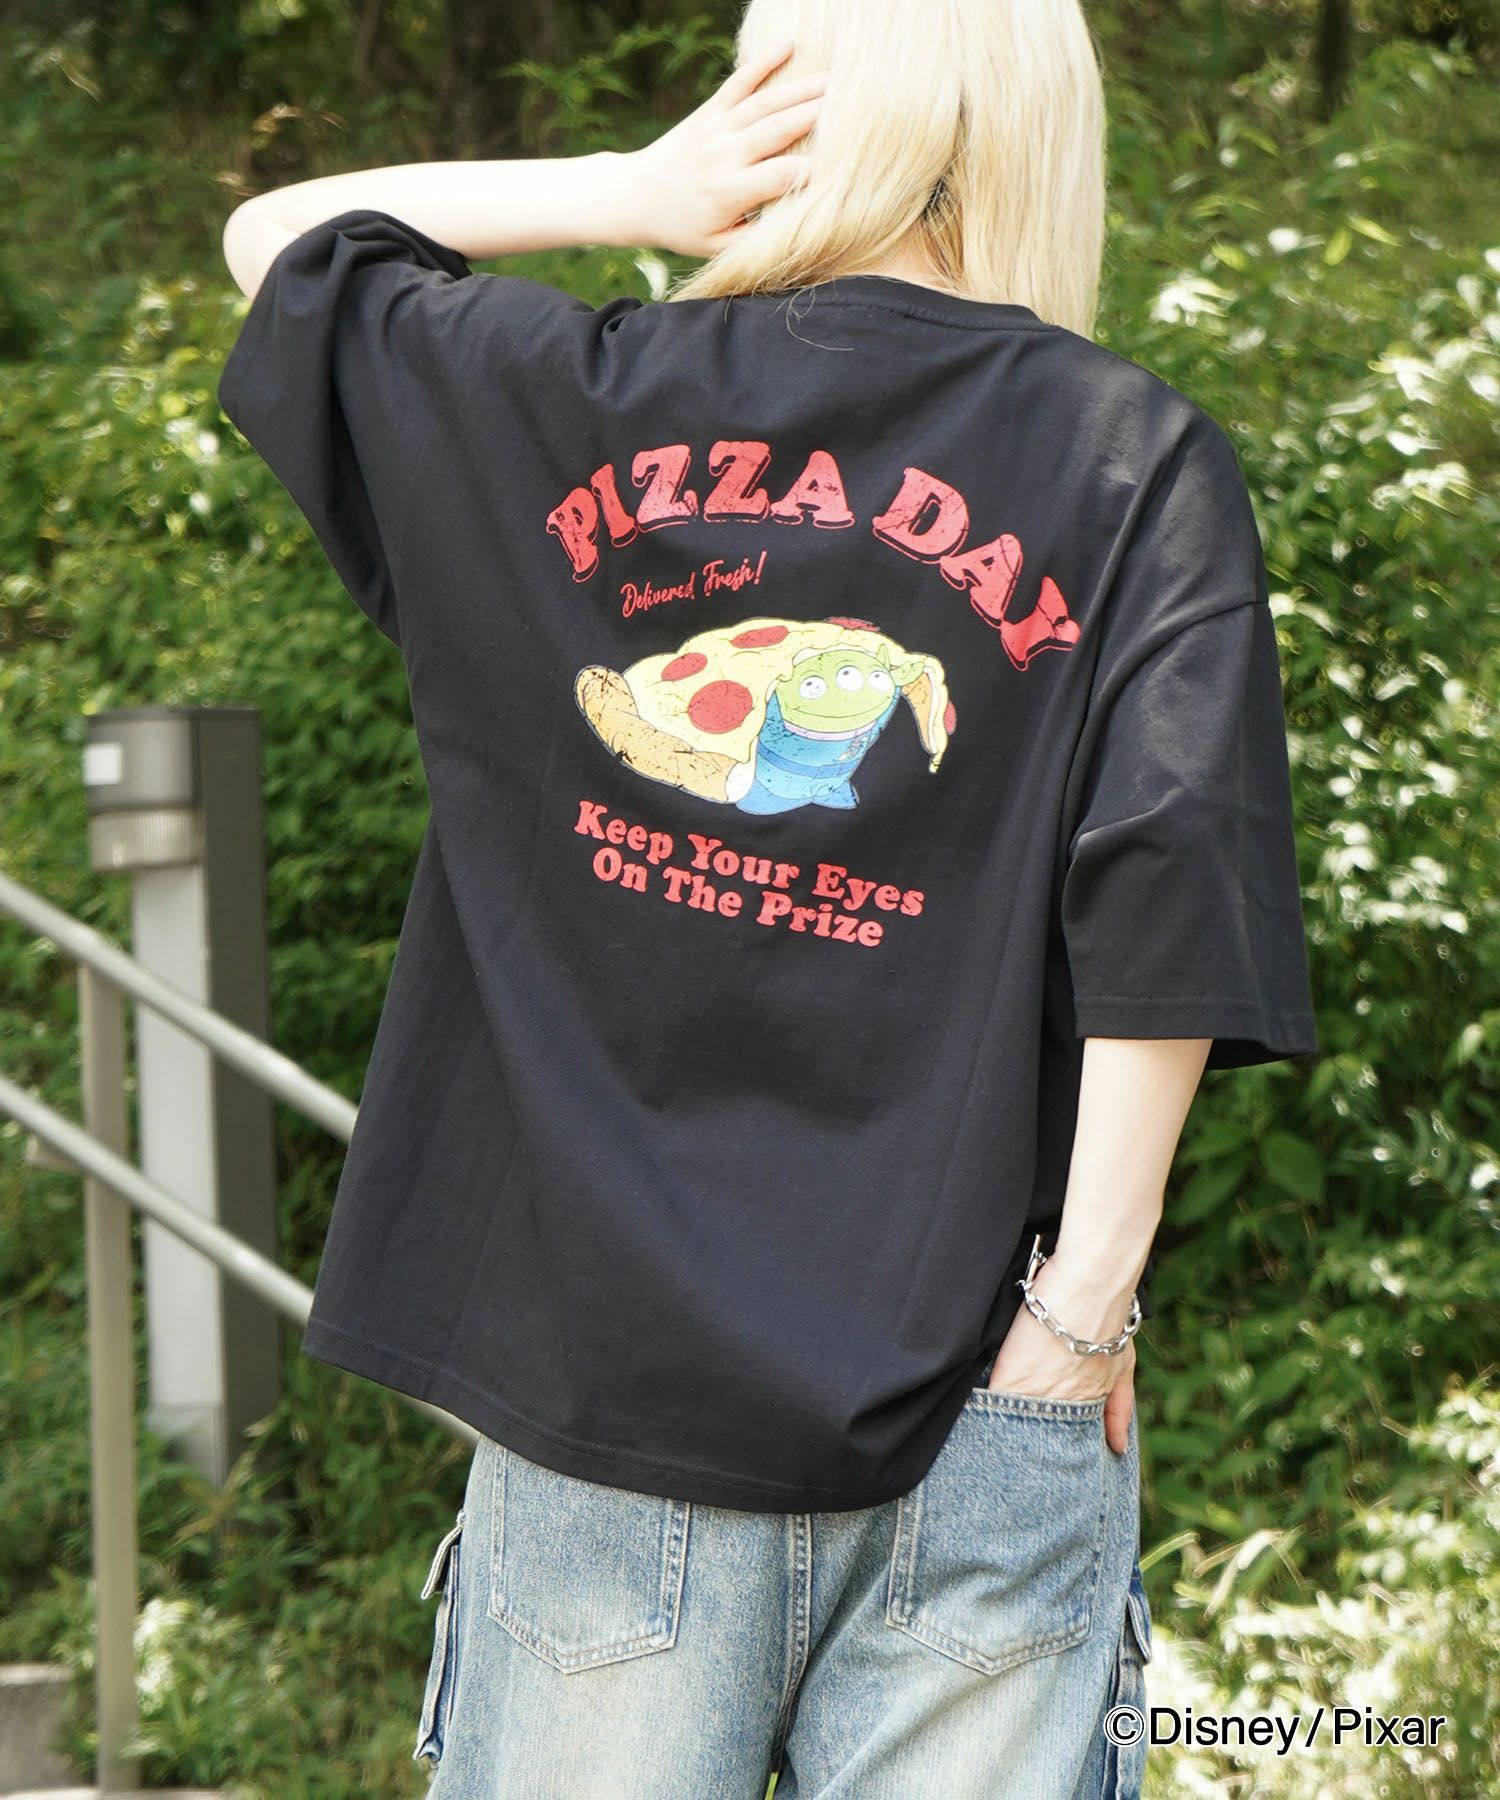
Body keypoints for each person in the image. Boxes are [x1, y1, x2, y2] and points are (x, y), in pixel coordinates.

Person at [216, 2, 1318, 1795]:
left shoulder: (572, 401)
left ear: (778, 98)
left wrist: (631, 188)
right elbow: (1168, 887)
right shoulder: (1131, 460)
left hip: (603, 1395)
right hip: (988, 1387)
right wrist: (1080, 1321)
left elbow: (281, 242)